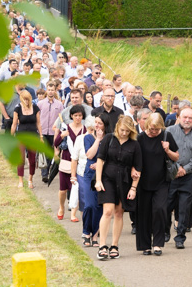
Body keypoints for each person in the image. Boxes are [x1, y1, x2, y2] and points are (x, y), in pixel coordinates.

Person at [94, 115, 142, 261]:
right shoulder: (109, 139)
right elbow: (100, 160)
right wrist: (98, 180)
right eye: (122, 130)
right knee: (107, 211)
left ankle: (114, 245)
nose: (124, 133)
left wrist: (133, 188)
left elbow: (138, 168)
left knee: (119, 213)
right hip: (107, 178)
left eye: (127, 131)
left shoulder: (135, 145)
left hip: (125, 181)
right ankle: (102, 245)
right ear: (117, 128)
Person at [136, 114, 178, 256]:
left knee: (160, 210)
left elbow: (176, 157)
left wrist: (168, 150)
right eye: (151, 129)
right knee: (144, 213)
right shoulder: (140, 138)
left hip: (162, 181)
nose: (153, 131)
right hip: (143, 181)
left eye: (156, 129)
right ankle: (145, 245)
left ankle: (158, 243)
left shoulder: (167, 136)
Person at [165, 107, 192, 249]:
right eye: (184, 117)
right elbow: (165, 153)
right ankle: (165, 231)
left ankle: (180, 237)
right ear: (179, 117)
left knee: (184, 208)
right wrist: (176, 169)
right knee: (167, 205)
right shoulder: (169, 131)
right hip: (171, 176)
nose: (187, 120)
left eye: (190, 118)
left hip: (188, 177)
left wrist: (184, 169)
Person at [71, 116, 104, 247]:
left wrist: (101, 164)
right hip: (88, 175)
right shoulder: (87, 138)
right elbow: (89, 155)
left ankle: (95, 235)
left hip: (103, 175)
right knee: (89, 205)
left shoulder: (110, 139)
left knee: (99, 206)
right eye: (95, 123)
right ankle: (86, 232)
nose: (97, 126)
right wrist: (98, 140)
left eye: (100, 123)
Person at [55, 104, 86, 221]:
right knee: (63, 189)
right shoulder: (66, 128)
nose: (78, 118)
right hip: (66, 160)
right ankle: (61, 207)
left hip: (79, 163)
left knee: (76, 188)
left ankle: (73, 213)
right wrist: (62, 135)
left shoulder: (85, 129)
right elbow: (56, 143)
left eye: (80, 115)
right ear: (71, 116)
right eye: (75, 115)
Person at [10, 90, 42, 188]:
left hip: (33, 136)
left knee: (32, 160)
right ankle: (20, 180)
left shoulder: (35, 107)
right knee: (21, 159)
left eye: (28, 100)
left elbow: (38, 123)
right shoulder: (18, 109)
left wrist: (41, 136)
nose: (26, 102)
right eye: (24, 100)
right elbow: (14, 124)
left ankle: (30, 179)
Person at [38, 81, 63, 182]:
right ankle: (44, 174)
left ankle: (48, 171)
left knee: (51, 153)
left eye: (52, 90)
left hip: (54, 132)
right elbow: (37, 117)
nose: (50, 92)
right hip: (43, 131)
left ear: (55, 91)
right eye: (49, 90)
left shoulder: (59, 104)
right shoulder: (40, 103)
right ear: (46, 91)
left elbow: (61, 119)